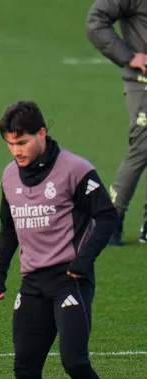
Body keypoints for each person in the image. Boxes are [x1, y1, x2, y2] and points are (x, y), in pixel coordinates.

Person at [0, 101, 119, 379]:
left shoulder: (75, 169)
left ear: (42, 133)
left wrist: (83, 261)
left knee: (74, 361)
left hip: (70, 279)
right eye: (10, 143)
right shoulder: (9, 176)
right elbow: (8, 227)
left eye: (22, 142)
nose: (16, 151)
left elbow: (106, 216)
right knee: (25, 367)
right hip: (33, 283)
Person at [86, 0, 147, 245]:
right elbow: (96, 20)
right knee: (143, 146)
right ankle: (110, 218)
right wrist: (128, 56)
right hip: (143, 83)